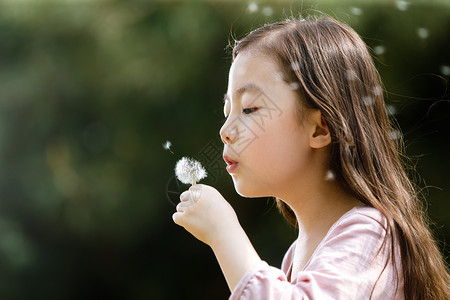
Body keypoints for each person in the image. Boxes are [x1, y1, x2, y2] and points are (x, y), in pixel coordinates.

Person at [172, 15, 450, 299]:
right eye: (227, 111)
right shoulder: (297, 256)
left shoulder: (370, 235)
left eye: (250, 109)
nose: (225, 131)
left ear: (319, 128)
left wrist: (224, 232)